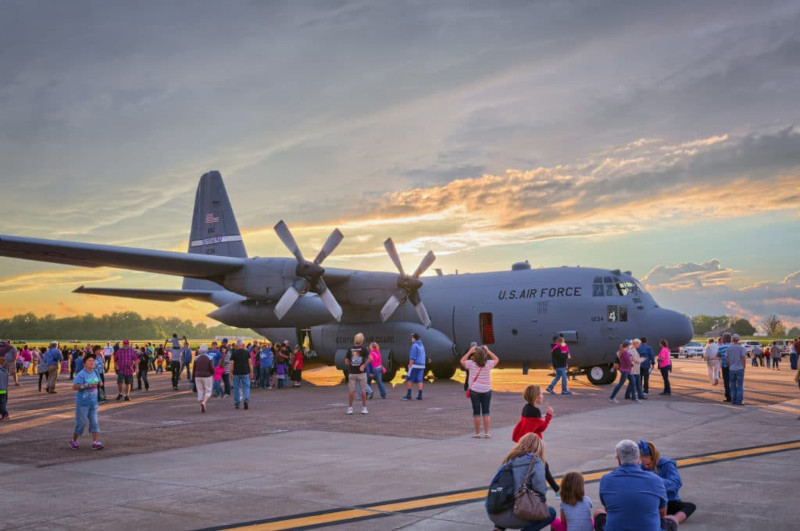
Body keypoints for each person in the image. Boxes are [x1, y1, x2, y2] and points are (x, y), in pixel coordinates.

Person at [593, 439, 675, 531]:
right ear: (639, 458)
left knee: (598, 513)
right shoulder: (656, 480)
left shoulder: (606, 480)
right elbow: (662, 513)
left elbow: (608, 510)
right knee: (672, 520)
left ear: (619, 459)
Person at [486, 432, 556, 530]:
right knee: (551, 512)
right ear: (539, 448)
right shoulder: (536, 462)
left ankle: (498, 529)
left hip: (493, 513)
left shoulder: (508, 460)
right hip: (515, 515)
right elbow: (540, 490)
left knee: (508, 497)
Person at [512, 385, 559, 495]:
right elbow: (541, 428)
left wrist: (541, 419)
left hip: (524, 443)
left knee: (541, 466)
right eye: (541, 394)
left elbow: (532, 424)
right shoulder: (535, 411)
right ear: (536, 397)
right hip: (532, 445)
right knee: (543, 466)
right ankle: (557, 490)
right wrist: (548, 416)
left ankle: (557, 489)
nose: (542, 396)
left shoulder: (526, 408)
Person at [638, 440, 696, 524]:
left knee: (690, 506)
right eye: (644, 464)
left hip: (669, 501)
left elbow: (676, 483)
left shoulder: (667, 464)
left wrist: (655, 481)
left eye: (648, 464)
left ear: (656, 458)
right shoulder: (642, 467)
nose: (646, 467)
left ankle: (674, 520)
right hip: (651, 502)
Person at [460, 344, 499, 438]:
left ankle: (477, 433)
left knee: (476, 412)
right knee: (486, 412)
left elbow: (462, 361)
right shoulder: (488, 364)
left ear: (475, 355)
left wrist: (470, 351)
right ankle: (487, 433)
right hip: (486, 390)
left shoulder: (471, 364)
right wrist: (488, 351)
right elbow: (497, 359)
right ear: (485, 355)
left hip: (474, 391)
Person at [69, 354, 103, 450]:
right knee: (81, 423)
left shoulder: (95, 372)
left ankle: (96, 442)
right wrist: (87, 385)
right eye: (89, 361)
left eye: (93, 360)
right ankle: (73, 440)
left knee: (94, 422)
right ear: (84, 364)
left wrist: (99, 383)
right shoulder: (81, 374)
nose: (92, 362)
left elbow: (100, 382)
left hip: (93, 402)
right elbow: (75, 387)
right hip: (83, 403)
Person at [345, 333, 370, 414]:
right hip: (362, 373)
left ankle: (350, 408)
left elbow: (346, 361)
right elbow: (370, 358)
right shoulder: (364, 349)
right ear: (361, 341)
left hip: (352, 373)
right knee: (363, 391)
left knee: (351, 391)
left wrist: (350, 367)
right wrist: (364, 365)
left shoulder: (350, 349)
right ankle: (364, 408)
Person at [401, 332, 426, 401]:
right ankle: (420, 395)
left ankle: (409, 395)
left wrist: (410, 365)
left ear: (414, 338)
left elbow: (413, 357)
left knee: (409, 379)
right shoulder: (422, 345)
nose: (411, 339)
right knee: (420, 380)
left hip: (415, 365)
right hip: (422, 365)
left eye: (412, 338)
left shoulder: (414, 345)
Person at [230, 339, 253, 410]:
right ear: (243, 344)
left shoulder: (234, 353)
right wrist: (251, 372)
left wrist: (230, 372)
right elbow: (250, 363)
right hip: (245, 372)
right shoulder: (246, 352)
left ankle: (237, 403)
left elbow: (231, 364)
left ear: (237, 345)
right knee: (246, 387)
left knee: (236, 388)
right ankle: (246, 399)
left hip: (236, 373)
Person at [192, 344, 215, 413]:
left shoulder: (196, 358)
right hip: (207, 376)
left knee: (200, 391)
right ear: (207, 350)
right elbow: (211, 368)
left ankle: (201, 406)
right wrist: (212, 373)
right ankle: (204, 402)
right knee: (208, 390)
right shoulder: (209, 358)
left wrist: (193, 378)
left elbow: (194, 369)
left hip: (197, 376)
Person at [727, 334, 747, 405]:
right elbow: (743, 358)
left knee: (732, 384)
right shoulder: (741, 348)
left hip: (732, 368)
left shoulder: (729, 348)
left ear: (732, 340)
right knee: (740, 385)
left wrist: (730, 363)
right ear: (738, 340)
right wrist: (744, 366)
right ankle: (739, 400)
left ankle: (733, 399)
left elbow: (726, 357)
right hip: (739, 368)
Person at [717, 334, 732, 402]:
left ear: (725, 339)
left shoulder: (721, 347)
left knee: (726, 381)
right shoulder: (733, 346)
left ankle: (728, 396)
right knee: (733, 381)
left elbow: (718, 354)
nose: (722, 340)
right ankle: (734, 395)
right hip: (733, 366)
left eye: (723, 338)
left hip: (725, 366)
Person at [0, 356, 9, 421]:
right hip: (4, 388)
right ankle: (4, 415)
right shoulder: (5, 370)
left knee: (1, 403)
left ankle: (5, 414)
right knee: (3, 402)